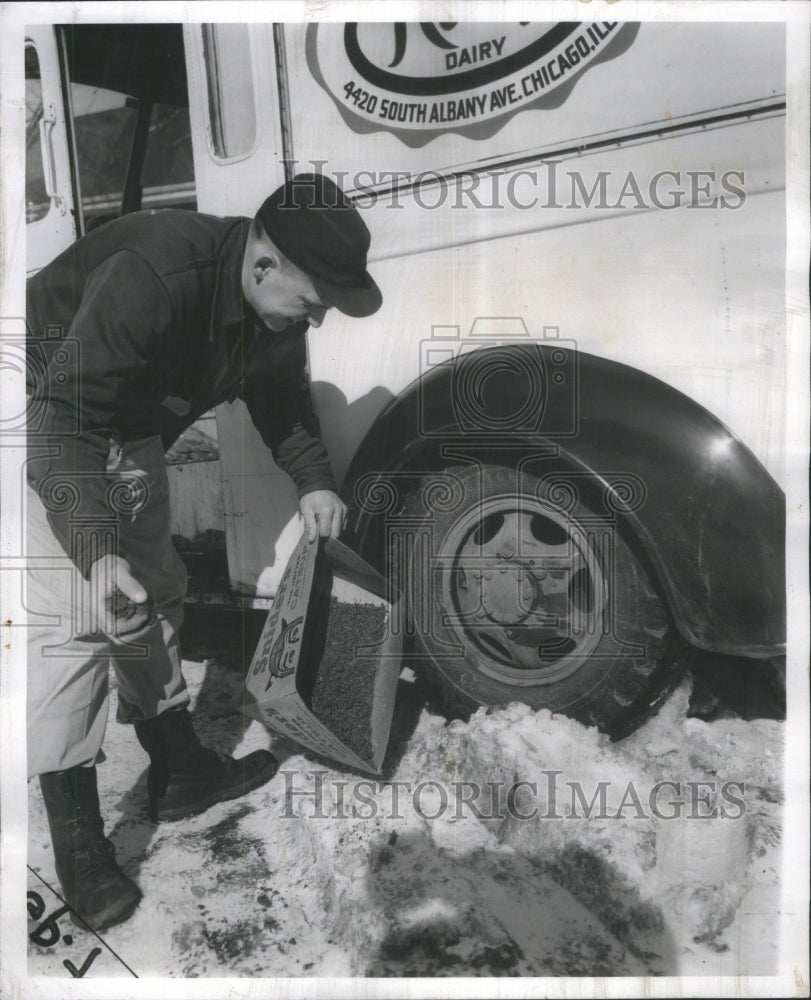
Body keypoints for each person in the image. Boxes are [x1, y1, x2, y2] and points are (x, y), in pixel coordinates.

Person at [25, 173, 382, 931]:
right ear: (263, 267)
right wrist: (92, 550)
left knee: (154, 585)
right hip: (44, 413)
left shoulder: (272, 316)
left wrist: (315, 482)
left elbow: (281, 403)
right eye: (312, 301)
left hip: (125, 424)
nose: (315, 320)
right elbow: (64, 421)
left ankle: (180, 766)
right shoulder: (155, 275)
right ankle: (79, 845)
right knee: (84, 622)